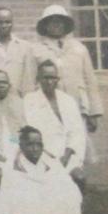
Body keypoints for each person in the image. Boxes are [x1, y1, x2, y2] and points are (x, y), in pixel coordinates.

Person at [2, 127, 94, 214]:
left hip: (48, 199)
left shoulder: (49, 161)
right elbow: (12, 191)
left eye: (38, 145)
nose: (35, 149)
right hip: (27, 205)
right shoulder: (15, 165)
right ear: (21, 146)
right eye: (30, 145)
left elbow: (62, 181)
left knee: (66, 200)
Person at [30, 4, 104, 133]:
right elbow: (30, 82)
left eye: (60, 21)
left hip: (77, 107)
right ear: (45, 25)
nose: (57, 25)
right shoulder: (36, 50)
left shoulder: (79, 49)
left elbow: (90, 82)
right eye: (52, 21)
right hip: (48, 107)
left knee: (78, 145)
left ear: (65, 25)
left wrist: (94, 112)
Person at [23, 60, 87, 188]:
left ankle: (76, 207)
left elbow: (77, 132)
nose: (49, 81)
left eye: (52, 77)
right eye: (45, 78)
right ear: (38, 79)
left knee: (79, 177)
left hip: (68, 154)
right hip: (42, 155)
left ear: (57, 79)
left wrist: (66, 156)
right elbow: (29, 133)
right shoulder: (29, 100)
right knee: (47, 184)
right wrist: (47, 157)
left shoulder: (67, 100)